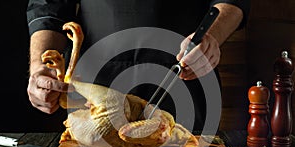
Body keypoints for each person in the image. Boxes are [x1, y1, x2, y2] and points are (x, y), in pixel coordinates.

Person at [26, 0, 250, 132]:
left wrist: (211, 36)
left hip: (183, 81)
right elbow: (48, 7)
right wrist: (39, 68)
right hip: (93, 95)